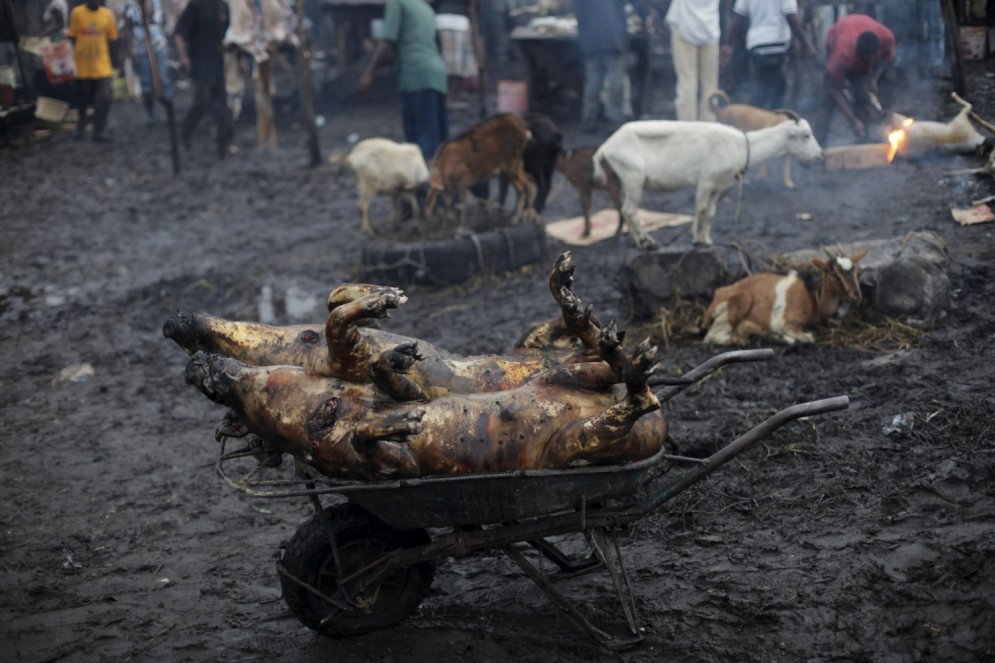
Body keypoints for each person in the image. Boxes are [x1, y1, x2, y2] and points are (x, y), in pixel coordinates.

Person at [358, 0, 448, 161]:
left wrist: (369, 72)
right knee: (438, 140)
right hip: (437, 74)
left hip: (417, 74)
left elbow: (387, 41)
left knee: (421, 141)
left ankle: (426, 183)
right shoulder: (425, 7)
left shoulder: (397, 2)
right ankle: (441, 181)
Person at [812, 13, 895, 146]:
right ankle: (817, 144)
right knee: (828, 101)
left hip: (857, 30)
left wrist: (874, 79)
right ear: (858, 53)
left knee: (862, 95)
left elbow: (887, 59)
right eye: (866, 59)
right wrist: (852, 120)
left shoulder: (887, 38)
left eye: (873, 58)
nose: (871, 61)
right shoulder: (842, 54)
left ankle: (864, 137)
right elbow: (834, 88)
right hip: (836, 42)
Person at [720, 0, 811, 110]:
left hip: (756, 44)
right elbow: (791, 16)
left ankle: (760, 119)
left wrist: (728, 44)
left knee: (771, 87)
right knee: (772, 91)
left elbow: (737, 18)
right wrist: (805, 44)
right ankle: (747, 118)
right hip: (777, 44)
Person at [173, 0, 233, 158]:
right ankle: (186, 131)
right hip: (200, 62)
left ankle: (223, 146)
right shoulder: (196, 5)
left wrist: (239, 60)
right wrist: (183, 57)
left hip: (219, 63)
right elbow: (179, 33)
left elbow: (230, 35)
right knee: (203, 100)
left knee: (222, 107)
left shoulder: (223, 7)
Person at [67, 0, 119, 142]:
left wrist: (116, 63)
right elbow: (72, 36)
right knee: (83, 99)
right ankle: (81, 127)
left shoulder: (107, 15)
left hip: (102, 66)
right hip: (82, 66)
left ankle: (99, 131)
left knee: (104, 98)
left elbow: (112, 39)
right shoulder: (77, 13)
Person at [573, 0, 630, 132]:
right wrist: (645, 16)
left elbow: (578, 11)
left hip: (591, 39)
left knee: (593, 81)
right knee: (615, 79)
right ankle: (614, 119)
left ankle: (589, 120)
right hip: (613, 36)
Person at [665, 0, 720, 121]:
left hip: (683, 25)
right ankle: (709, 127)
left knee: (687, 82)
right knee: (710, 85)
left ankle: (687, 127)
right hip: (710, 28)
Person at [124, 0, 172, 124]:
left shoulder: (158, 4)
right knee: (146, 83)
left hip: (158, 46)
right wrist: (130, 51)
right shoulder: (131, 7)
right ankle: (150, 113)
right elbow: (127, 30)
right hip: (140, 50)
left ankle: (168, 110)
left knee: (163, 79)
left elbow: (164, 21)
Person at [433, 0, 483, 110]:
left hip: (440, 20)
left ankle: (442, 98)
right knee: (457, 65)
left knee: (443, 62)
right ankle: (451, 99)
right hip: (457, 23)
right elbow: (473, 6)